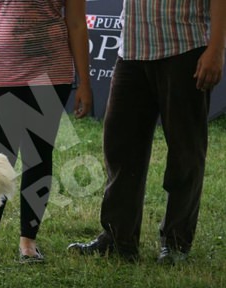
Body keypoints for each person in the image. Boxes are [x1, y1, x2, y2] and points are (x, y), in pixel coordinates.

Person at [68, 0, 225, 265]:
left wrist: (217, 49)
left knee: (185, 151)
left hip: (184, 47)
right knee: (119, 148)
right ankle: (119, 238)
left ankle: (176, 243)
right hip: (132, 50)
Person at [0, 0, 92, 263]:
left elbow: (77, 24)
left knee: (38, 156)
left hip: (51, 75)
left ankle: (28, 241)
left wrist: (85, 82)